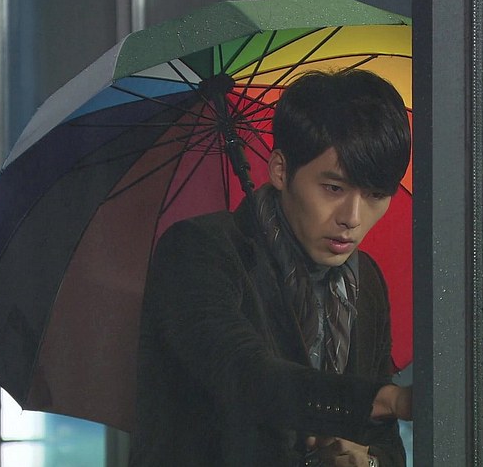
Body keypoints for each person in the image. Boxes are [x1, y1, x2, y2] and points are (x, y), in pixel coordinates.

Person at [129, 69, 412, 467]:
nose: (352, 217)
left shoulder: (366, 281)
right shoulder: (198, 249)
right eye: (333, 188)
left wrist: (366, 462)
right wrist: (388, 399)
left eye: (376, 195)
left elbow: (386, 445)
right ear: (280, 170)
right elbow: (243, 373)